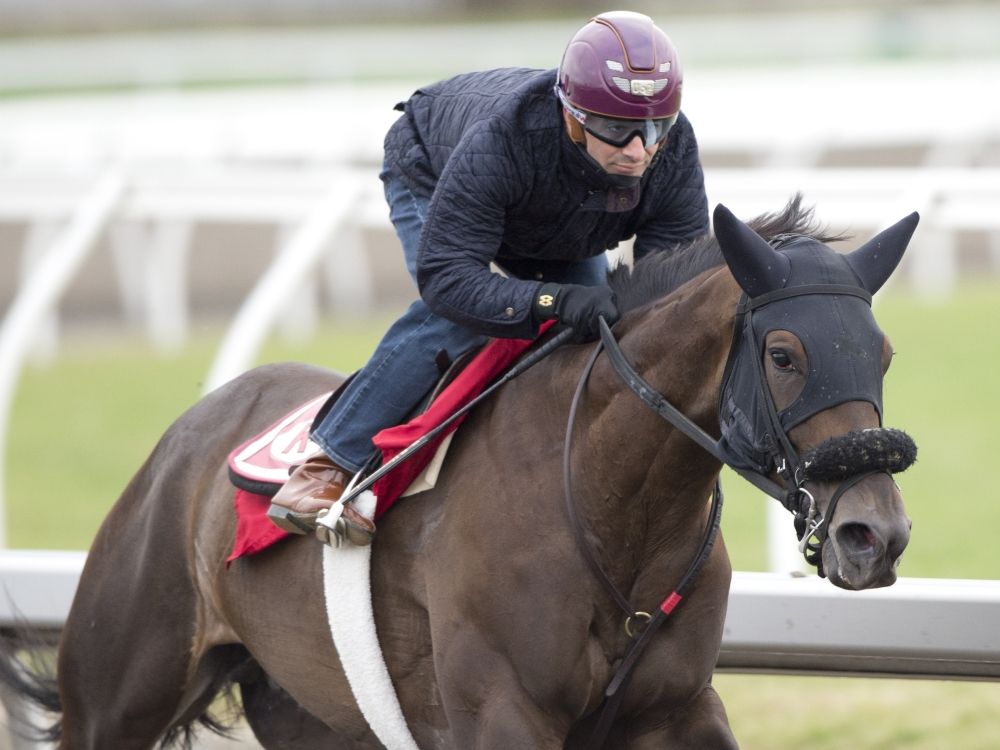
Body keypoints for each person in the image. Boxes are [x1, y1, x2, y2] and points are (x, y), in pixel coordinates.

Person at [267, 10, 709, 544]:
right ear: (572, 116)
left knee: (595, 327)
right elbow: (449, 280)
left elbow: (670, 286)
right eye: (617, 131)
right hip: (433, 166)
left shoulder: (673, 148)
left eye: (653, 127)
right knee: (466, 319)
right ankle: (326, 466)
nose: (639, 150)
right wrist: (548, 298)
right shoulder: (502, 138)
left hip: (549, 213)